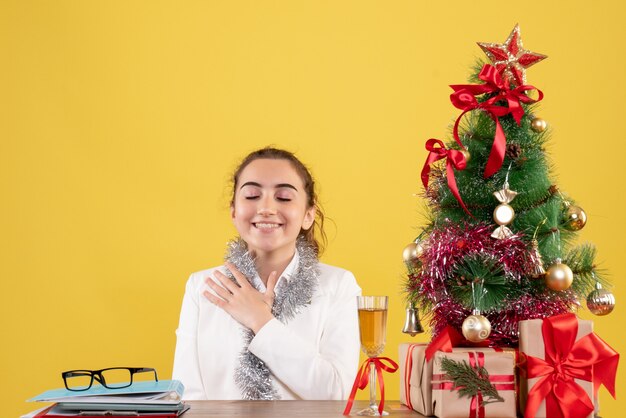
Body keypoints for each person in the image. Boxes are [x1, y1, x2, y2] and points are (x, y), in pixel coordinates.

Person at [172, 147, 361, 400]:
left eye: (283, 197)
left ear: (308, 215)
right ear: (233, 211)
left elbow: (336, 393)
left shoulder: (339, 285)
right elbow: (187, 397)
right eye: (252, 195)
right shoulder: (202, 286)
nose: (266, 208)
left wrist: (260, 321)